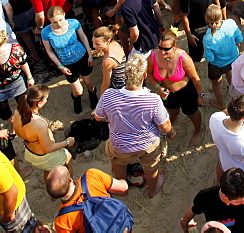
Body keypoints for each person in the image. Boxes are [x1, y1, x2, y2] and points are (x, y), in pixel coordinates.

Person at [94, 53, 173, 199]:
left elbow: (98, 117)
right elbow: (165, 125)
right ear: (143, 76)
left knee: (118, 164)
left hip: (120, 144)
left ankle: (122, 190)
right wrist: (172, 132)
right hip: (147, 145)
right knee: (151, 168)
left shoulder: (109, 95)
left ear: (125, 74)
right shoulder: (153, 100)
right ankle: (152, 190)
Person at [147, 29, 205, 146]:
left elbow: (195, 78)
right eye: (160, 48)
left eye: (166, 49)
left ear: (174, 46)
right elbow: (149, 74)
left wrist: (200, 95)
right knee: (171, 111)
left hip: (186, 92)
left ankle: (198, 131)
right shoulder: (153, 56)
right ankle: (170, 124)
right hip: (167, 92)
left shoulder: (183, 58)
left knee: (192, 113)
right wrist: (158, 87)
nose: (162, 52)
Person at [41, 6, 97, 113]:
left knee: (88, 82)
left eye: (60, 20)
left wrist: (90, 55)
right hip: (66, 64)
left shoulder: (73, 23)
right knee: (78, 90)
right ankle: (77, 100)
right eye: (54, 22)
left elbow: (83, 37)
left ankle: (93, 96)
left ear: (64, 15)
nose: (59, 24)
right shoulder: (46, 32)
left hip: (82, 57)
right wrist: (60, 66)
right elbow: (49, 51)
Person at [12, 85, 75, 180]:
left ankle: (48, 184)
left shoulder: (19, 111)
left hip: (30, 152)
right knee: (68, 158)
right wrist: (67, 142)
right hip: (45, 156)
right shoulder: (39, 124)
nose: (46, 101)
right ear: (39, 104)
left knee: (48, 170)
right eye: (46, 99)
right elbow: (48, 148)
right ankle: (69, 185)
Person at [180, 167, 244, 233]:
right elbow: (191, 213)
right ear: (225, 196)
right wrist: (185, 225)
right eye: (238, 201)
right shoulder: (206, 197)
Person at [46, 165, 129, 233]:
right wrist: (122, 180)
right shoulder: (92, 175)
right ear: (70, 180)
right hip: (121, 223)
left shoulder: (62, 221)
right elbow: (123, 187)